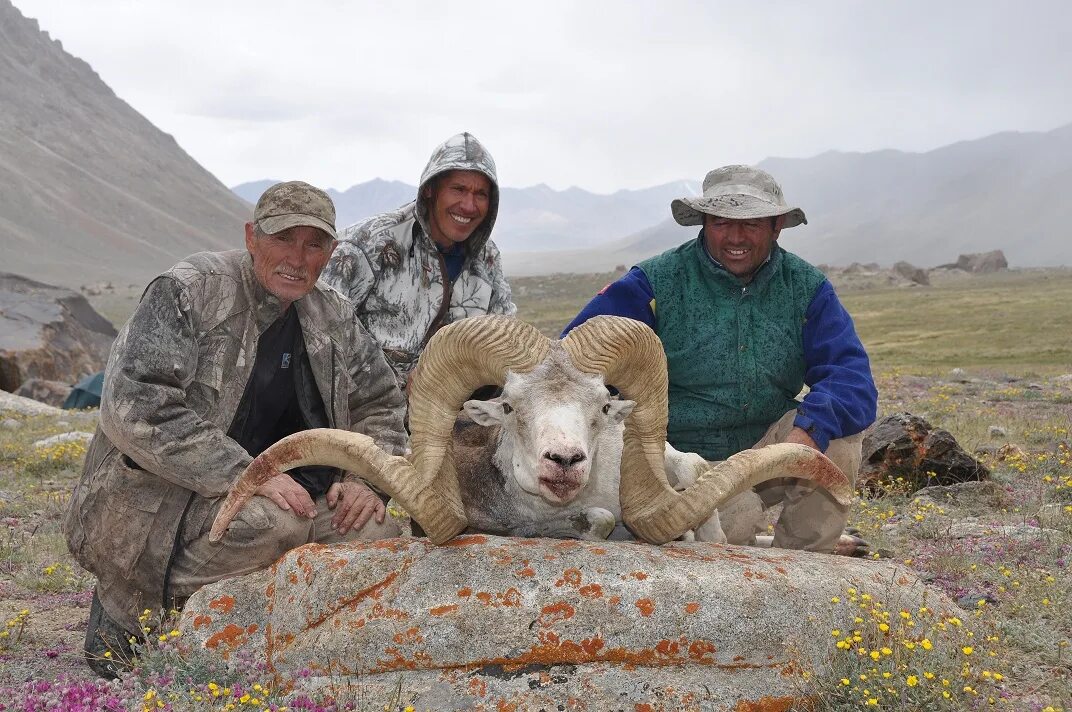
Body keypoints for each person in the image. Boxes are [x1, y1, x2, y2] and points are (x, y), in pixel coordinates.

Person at [64, 181, 407, 678]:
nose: (297, 257)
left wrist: (365, 481)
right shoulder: (189, 291)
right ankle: (136, 607)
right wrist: (249, 473)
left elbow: (381, 401)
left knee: (377, 533)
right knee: (276, 525)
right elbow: (137, 406)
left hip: (289, 492)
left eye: (314, 244)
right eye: (282, 239)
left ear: (331, 252)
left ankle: (275, 638)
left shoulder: (333, 315)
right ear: (251, 237)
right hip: (166, 503)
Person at [563, 165, 878, 553]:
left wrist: (807, 434)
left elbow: (851, 378)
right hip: (676, 463)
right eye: (721, 222)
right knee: (735, 520)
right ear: (704, 222)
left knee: (838, 437)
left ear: (776, 225)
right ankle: (740, 541)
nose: (735, 237)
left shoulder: (807, 288)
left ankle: (806, 563)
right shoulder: (654, 283)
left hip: (766, 455)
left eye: (751, 224)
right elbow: (575, 357)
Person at [321, 132, 515, 390]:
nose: (469, 206)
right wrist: (399, 383)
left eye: (481, 194)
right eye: (458, 189)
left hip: (456, 416)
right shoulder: (368, 243)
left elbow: (506, 344)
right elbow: (319, 338)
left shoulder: (487, 259)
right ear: (430, 190)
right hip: (368, 415)